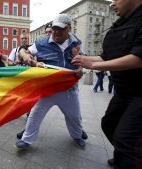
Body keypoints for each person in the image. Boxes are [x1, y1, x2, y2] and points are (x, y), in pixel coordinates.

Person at [72, 0, 142, 167]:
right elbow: (106, 56)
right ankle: (125, 155)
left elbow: (138, 59)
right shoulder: (120, 23)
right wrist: (84, 60)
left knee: (126, 139)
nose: (112, 3)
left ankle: (129, 158)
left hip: (140, 93)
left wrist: (94, 65)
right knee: (109, 124)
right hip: (123, 91)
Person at [16, 14, 87, 150]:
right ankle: (26, 140)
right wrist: (27, 57)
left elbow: (81, 59)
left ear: (69, 28)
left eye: (60, 28)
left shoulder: (77, 42)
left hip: (69, 90)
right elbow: (24, 51)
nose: (56, 32)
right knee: (35, 115)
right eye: (54, 28)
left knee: (75, 117)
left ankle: (77, 136)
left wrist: (80, 69)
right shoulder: (42, 43)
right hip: (48, 89)